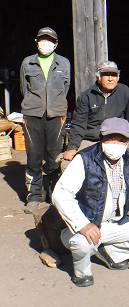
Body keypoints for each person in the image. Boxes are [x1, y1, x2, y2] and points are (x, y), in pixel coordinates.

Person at [52, 118, 129, 287]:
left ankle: (110, 254)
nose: (116, 144)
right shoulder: (85, 159)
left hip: (115, 223)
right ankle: (82, 273)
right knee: (83, 243)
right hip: (85, 225)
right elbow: (61, 194)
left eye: (121, 140)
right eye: (111, 139)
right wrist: (83, 224)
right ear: (101, 138)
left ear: (127, 142)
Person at [20, 27, 71, 213]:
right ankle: (33, 196)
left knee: (54, 156)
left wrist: (55, 108)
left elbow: (66, 89)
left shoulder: (64, 63)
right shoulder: (28, 63)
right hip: (32, 115)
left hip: (56, 116)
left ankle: (54, 195)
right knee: (34, 156)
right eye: (42, 39)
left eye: (49, 40)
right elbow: (23, 88)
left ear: (56, 44)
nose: (46, 43)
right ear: (37, 42)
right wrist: (35, 106)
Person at [62, 61, 129, 167]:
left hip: (117, 139)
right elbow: (78, 124)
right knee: (68, 165)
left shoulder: (124, 91)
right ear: (98, 77)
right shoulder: (87, 96)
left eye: (114, 75)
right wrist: (72, 147)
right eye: (106, 75)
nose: (110, 79)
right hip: (91, 140)